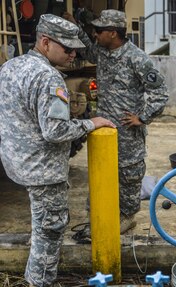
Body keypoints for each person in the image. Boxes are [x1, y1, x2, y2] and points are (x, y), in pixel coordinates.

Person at [0, 14, 116, 287]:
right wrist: (91, 122)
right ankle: (39, 282)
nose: (73, 54)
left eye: (75, 48)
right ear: (45, 41)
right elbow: (55, 131)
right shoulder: (48, 77)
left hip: (17, 161)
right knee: (49, 232)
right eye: (67, 48)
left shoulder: (10, 67)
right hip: (43, 169)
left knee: (40, 226)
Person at [64, 9, 169, 235]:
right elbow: (85, 47)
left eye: (99, 30)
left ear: (112, 33)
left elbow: (160, 92)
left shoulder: (137, 58)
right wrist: (74, 25)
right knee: (101, 172)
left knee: (129, 175)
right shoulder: (101, 52)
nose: (95, 34)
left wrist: (142, 117)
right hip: (103, 127)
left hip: (127, 132)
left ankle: (127, 217)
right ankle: (98, 214)